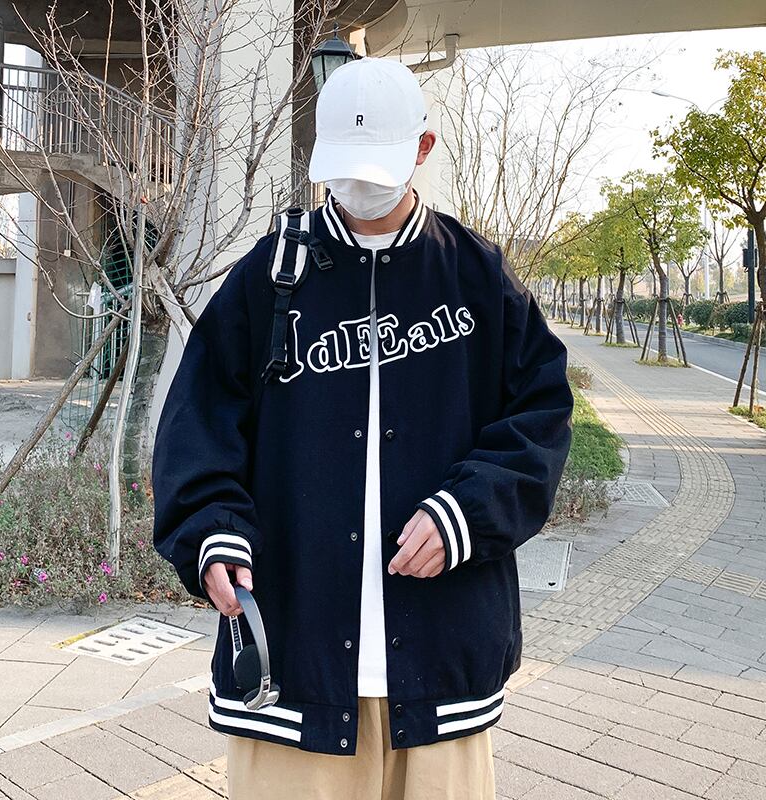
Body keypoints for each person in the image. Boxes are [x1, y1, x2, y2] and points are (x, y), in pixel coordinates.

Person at [151, 55, 574, 800]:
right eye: (342, 166)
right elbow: (199, 422)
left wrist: (466, 513)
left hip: (443, 656)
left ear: (423, 148)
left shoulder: (477, 278)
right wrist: (211, 532)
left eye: (375, 165)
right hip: (294, 659)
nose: (356, 186)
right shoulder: (269, 276)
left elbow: (541, 416)